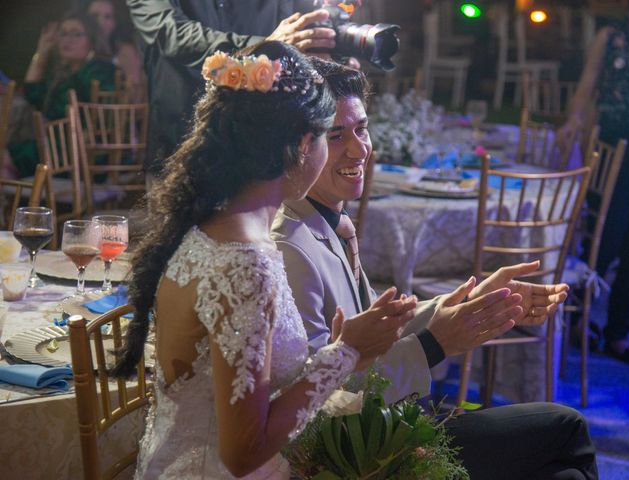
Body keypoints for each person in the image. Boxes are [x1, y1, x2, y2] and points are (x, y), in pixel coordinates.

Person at [272, 59, 598, 480]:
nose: (359, 149)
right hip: (363, 452)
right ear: (301, 144)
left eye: (362, 129)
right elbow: (315, 401)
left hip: (390, 422)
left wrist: (473, 301)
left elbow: (375, 330)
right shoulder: (289, 247)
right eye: (336, 135)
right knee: (566, 427)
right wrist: (433, 345)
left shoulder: (330, 222)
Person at [112, 41, 417, 479]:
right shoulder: (244, 264)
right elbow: (243, 452)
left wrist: (337, 352)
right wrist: (346, 353)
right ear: (302, 145)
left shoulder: (210, 224)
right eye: (328, 137)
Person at [126, 0, 339, 175]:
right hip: (182, 144)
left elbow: (301, 27)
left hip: (259, 147)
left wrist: (329, 52)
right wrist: (263, 47)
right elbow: (170, 32)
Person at [557, 6, 629, 363]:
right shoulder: (610, 37)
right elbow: (586, 87)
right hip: (615, 146)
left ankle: (619, 333)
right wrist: (573, 120)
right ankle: (581, 320)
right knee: (606, 235)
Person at [7, 10, 115, 178]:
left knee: (8, 157)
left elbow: (106, 115)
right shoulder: (65, 74)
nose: (67, 40)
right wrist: (42, 51)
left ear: (92, 40)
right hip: (58, 149)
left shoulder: (97, 70)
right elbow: (33, 95)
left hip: (83, 157)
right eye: (63, 34)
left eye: (76, 34)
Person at [86, 0, 145, 101]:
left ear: (115, 22)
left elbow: (135, 94)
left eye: (108, 17)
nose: (100, 22)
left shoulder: (124, 51)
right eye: (95, 16)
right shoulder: (80, 47)